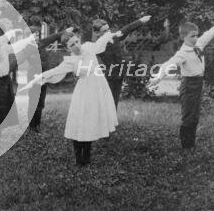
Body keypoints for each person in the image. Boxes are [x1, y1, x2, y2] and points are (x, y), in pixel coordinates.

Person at [22, 29, 123, 166]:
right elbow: (54, 71)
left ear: (79, 39)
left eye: (76, 41)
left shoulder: (88, 47)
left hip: (98, 91)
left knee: (91, 122)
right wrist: (36, 80)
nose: (76, 45)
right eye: (72, 45)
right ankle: (78, 159)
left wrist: (112, 34)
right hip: (84, 93)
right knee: (80, 122)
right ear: (67, 48)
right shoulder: (70, 61)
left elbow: (100, 42)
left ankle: (86, 158)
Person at [149, 18, 214, 150]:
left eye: (196, 35)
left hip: (198, 84)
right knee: (188, 116)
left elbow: (211, 32)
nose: (196, 38)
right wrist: (158, 77)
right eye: (192, 36)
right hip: (188, 85)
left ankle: (191, 145)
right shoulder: (182, 54)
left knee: (194, 116)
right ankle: (186, 147)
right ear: (183, 37)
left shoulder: (199, 44)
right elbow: (167, 65)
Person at [18, 25, 75, 134]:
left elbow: (54, 36)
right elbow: (16, 61)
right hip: (33, 77)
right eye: (33, 35)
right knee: (34, 102)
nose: (36, 37)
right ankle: (32, 126)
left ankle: (37, 125)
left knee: (40, 102)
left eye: (37, 35)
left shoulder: (41, 43)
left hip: (44, 76)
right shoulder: (27, 48)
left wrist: (65, 31)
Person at [92, 15, 151, 107]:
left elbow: (127, 28)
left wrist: (141, 21)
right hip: (108, 78)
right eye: (104, 31)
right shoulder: (98, 46)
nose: (108, 32)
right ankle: (104, 120)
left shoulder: (114, 38)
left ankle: (113, 121)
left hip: (119, 75)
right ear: (97, 33)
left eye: (108, 29)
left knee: (115, 100)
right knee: (107, 102)